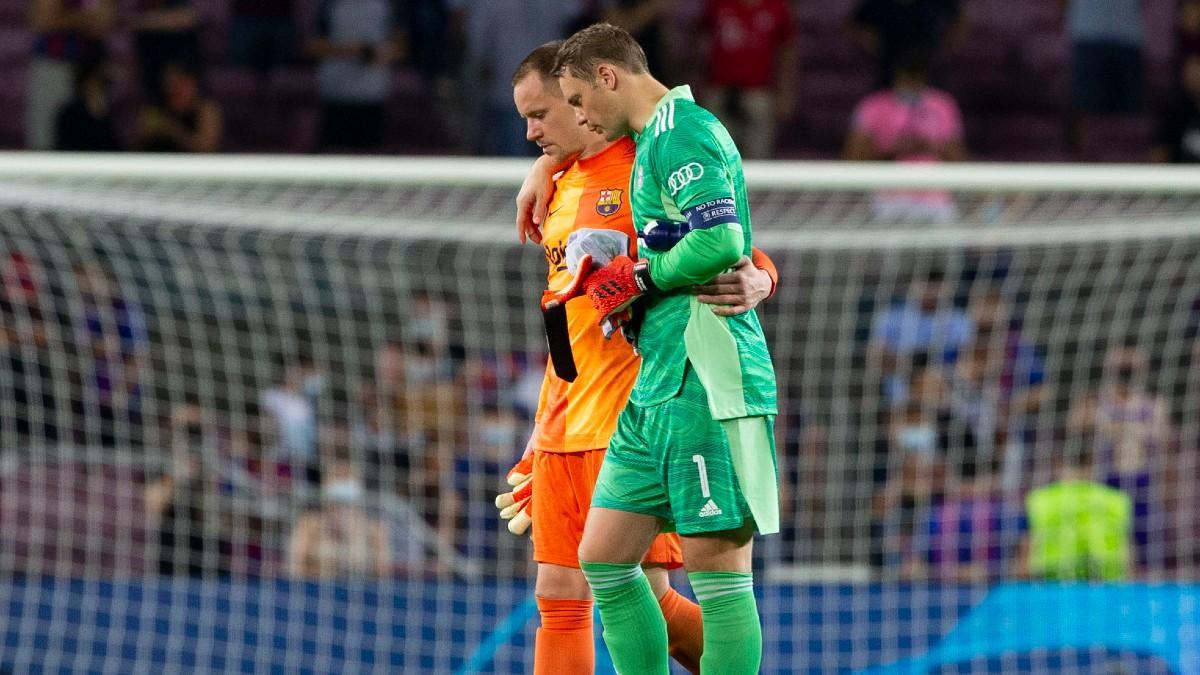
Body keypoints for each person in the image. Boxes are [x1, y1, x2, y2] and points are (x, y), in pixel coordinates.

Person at [503, 41, 780, 674]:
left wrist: (760, 276)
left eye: (553, 108)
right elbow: (574, 309)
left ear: (597, 87)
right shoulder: (567, 175)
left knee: (682, 578)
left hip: (670, 385)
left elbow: (725, 241)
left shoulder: (657, 146)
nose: (532, 130)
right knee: (576, 579)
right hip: (581, 412)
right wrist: (543, 432)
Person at [844, 48, 964, 222]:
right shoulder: (871, 107)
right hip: (888, 200)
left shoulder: (944, 105)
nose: (912, 81)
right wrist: (891, 151)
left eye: (918, 74)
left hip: (935, 200)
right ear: (895, 73)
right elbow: (853, 161)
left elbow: (958, 160)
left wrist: (932, 147)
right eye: (908, 74)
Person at [1018, 436, 1132, 581]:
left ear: (1057, 463)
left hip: (1052, 591)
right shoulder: (1117, 500)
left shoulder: (1039, 501)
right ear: (1093, 461)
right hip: (1108, 592)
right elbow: (1129, 560)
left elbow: (1023, 565)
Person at [699, 0, 799, 159]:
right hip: (719, 90)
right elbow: (700, 45)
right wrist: (697, 87)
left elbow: (787, 52)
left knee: (758, 153)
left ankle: (756, 184)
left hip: (759, 92)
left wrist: (786, 93)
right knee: (717, 154)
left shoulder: (777, 6)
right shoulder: (717, 4)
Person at [307, 0, 406, 151]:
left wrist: (380, 55)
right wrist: (351, 50)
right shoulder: (331, 4)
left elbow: (400, 47)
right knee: (336, 154)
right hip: (337, 93)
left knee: (371, 156)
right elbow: (312, 45)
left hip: (373, 94)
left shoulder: (387, 5)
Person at [286, 445, 392, 578]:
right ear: (326, 484)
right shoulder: (309, 523)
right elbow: (292, 570)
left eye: (347, 476)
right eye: (337, 475)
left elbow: (384, 576)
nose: (342, 482)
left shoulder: (375, 528)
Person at [26, 0, 115, 150]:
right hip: (54, 64)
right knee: (45, 138)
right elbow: (42, 20)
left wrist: (65, 17)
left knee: (92, 134)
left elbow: (104, 20)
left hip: (90, 68)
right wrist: (86, 19)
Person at [846, 0, 964, 86]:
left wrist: (947, 48)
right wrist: (870, 43)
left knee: (936, 105)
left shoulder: (935, 2)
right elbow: (852, 25)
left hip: (928, 66)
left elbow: (960, 20)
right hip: (891, 66)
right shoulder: (878, 3)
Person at [134, 61, 223, 152]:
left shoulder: (206, 109)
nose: (175, 90)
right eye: (170, 84)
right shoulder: (154, 111)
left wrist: (170, 128)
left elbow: (206, 148)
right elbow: (134, 147)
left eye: (180, 83)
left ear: (193, 84)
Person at [55, 54, 121, 151]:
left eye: (103, 84)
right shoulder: (69, 115)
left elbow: (118, 153)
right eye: (95, 82)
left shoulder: (113, 116)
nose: (98, 88)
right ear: (84, 84)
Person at [1152, 53, 1200, 164]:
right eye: (1191, 72)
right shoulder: (1174, 112)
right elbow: (1159, 153)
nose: (1196, 77)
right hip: (1181, 177)